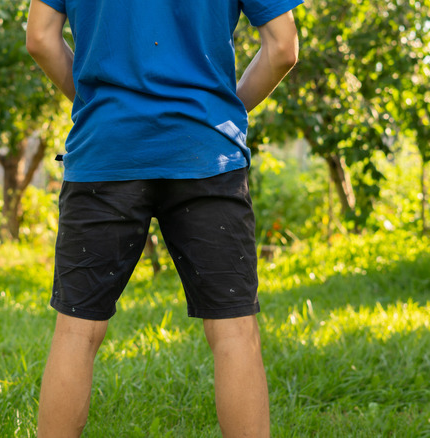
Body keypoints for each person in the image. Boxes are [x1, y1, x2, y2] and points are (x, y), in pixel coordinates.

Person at [26, 0, 302, 436]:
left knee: (76, 333)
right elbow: (283, 47)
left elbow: (40, 38)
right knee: (233, 333)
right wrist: (220, 114)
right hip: (206, 153)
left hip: (106, 149)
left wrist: (101, 107)